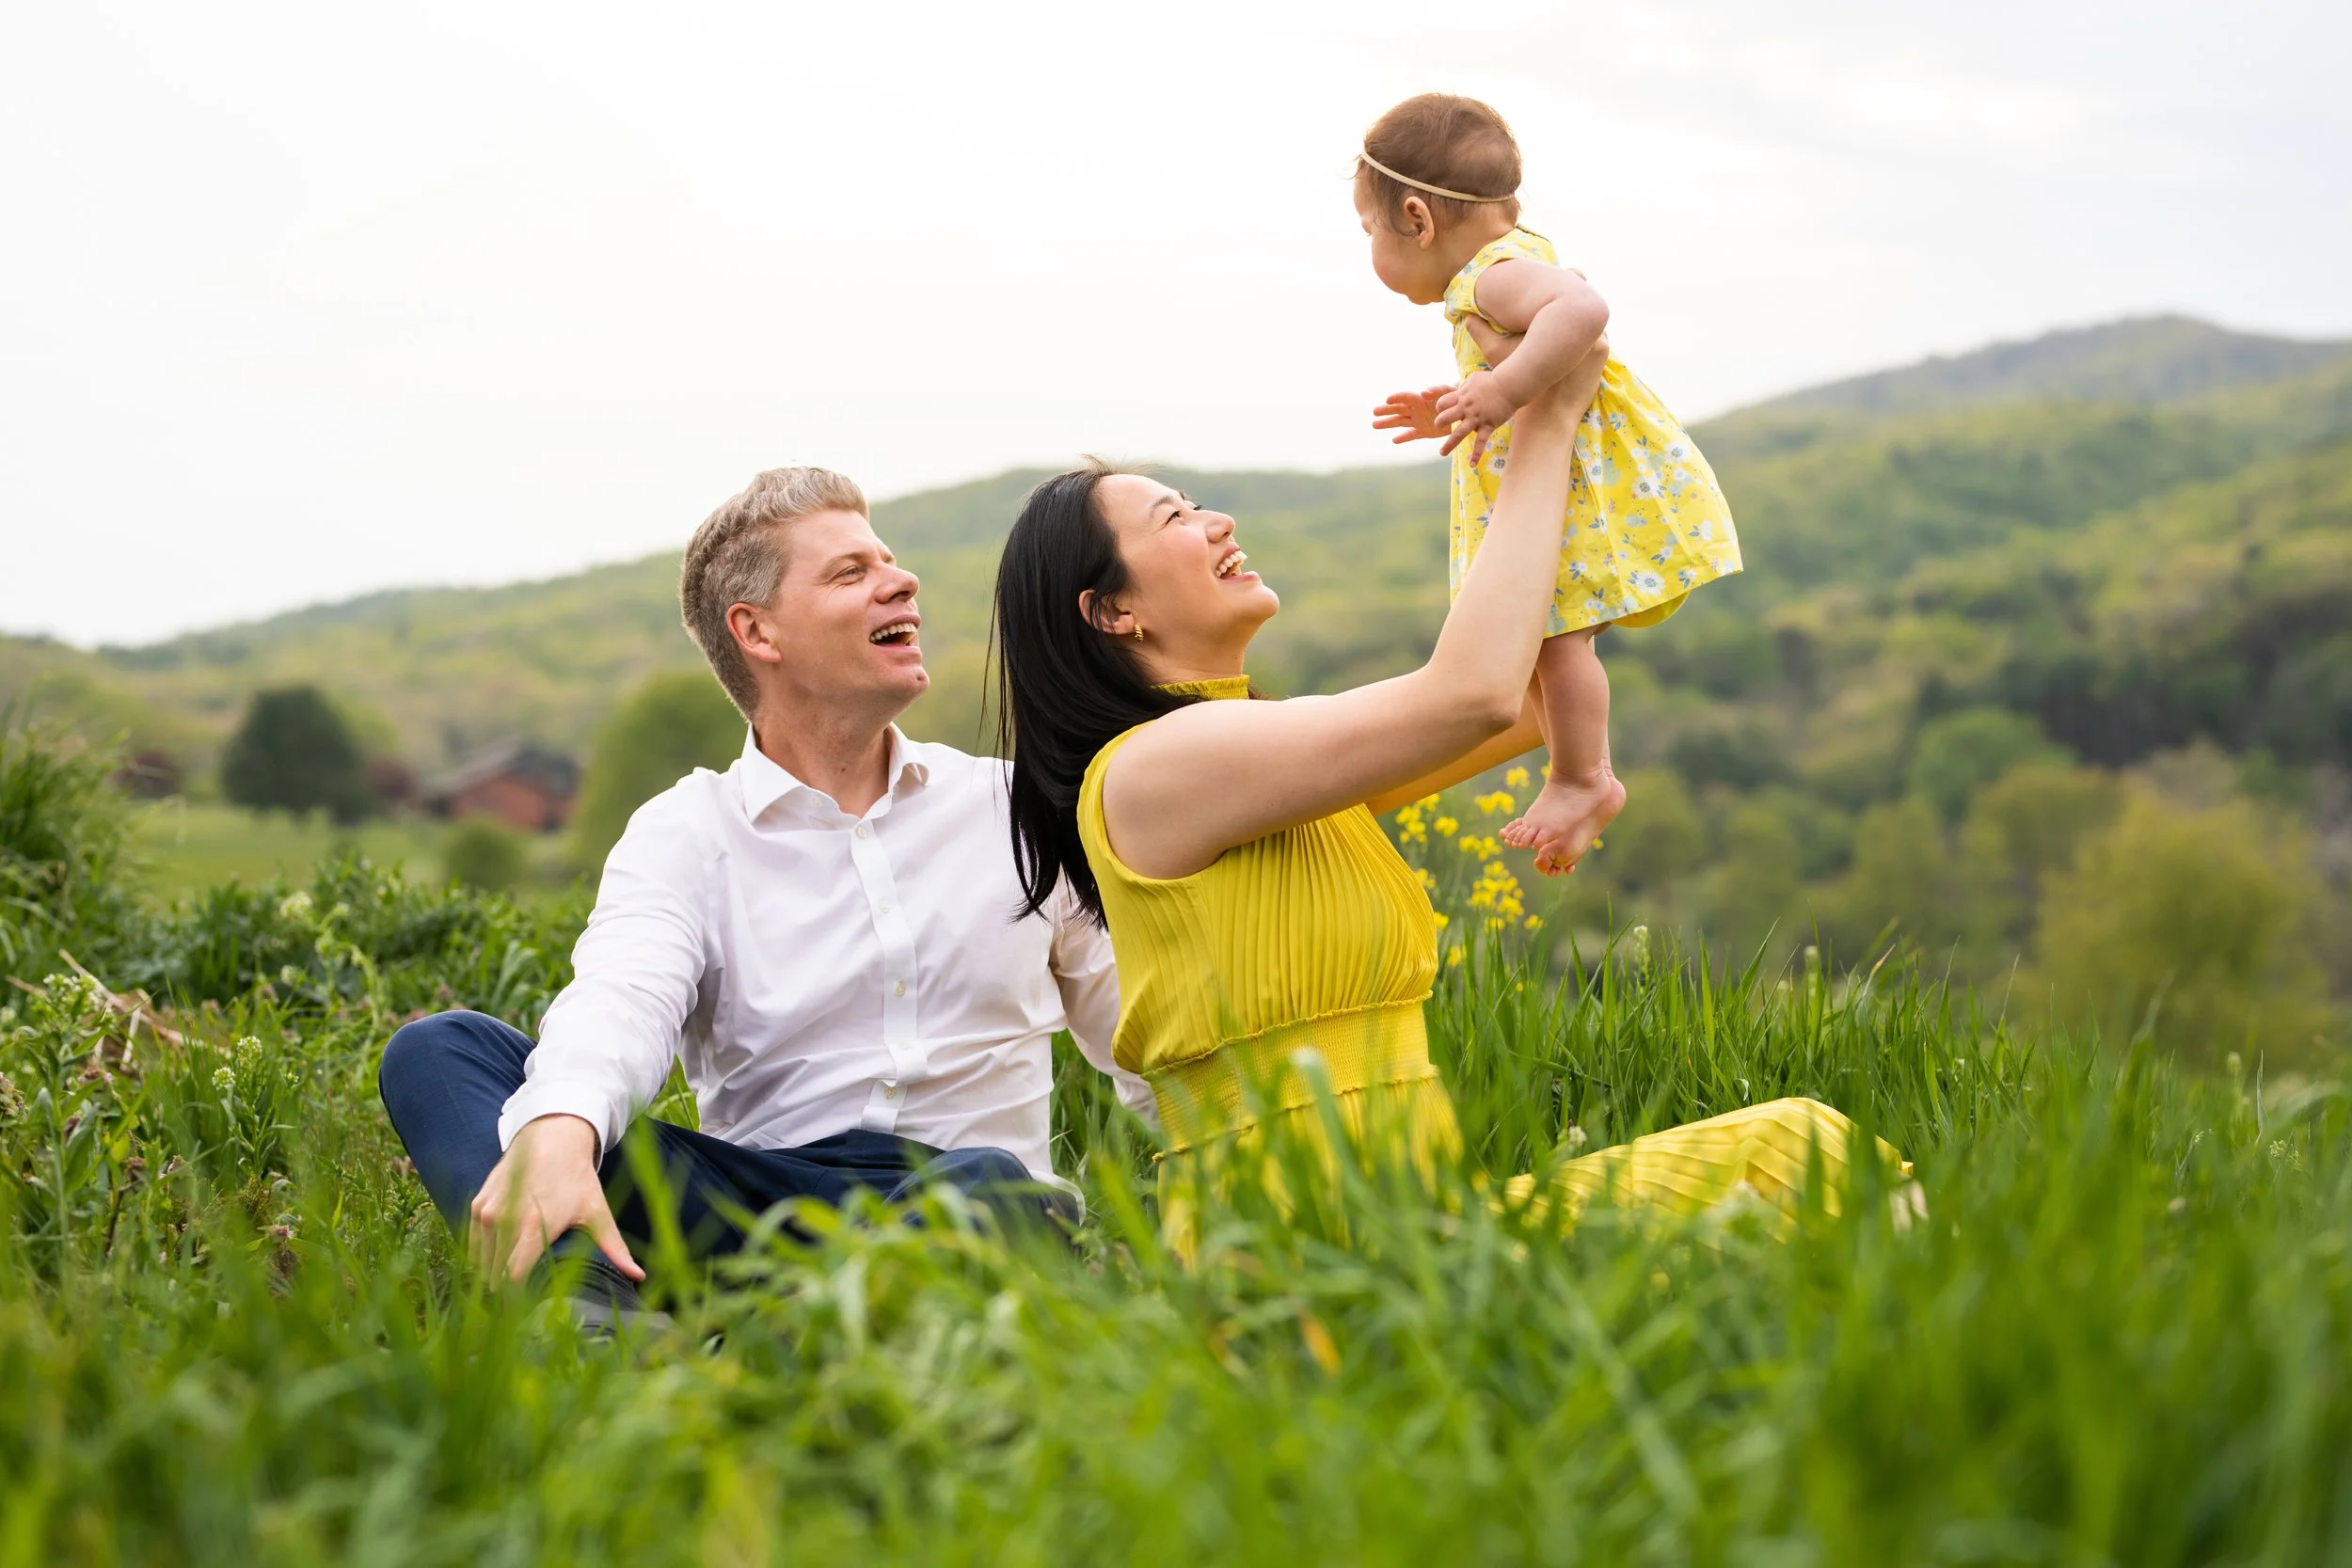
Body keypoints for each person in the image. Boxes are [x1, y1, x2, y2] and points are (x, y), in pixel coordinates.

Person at [990, 365, 1905, 1256]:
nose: (1218, 518)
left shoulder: (1257, 761)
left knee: (1804, 1153)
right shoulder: (1158, 765)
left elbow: (1533, 694)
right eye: (1176, 517)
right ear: (1111, 611)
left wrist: (1540, 428)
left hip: (1420, 1227)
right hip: (1302, 1255)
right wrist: (1544, 423)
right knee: (1804, 1157)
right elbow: (1471, 694)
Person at [380, 465, 1154, 1320]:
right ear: (758, 631)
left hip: (980, 1202)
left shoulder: (1019, 807)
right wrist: (560, 1130)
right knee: (442, 1053)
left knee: (984, 1184)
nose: (902, 581)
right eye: (850, 572)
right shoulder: (687, 829)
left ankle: (739, 1339)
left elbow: (1143, 1032)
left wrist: (1243, 1174)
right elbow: (621, 998)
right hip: (761, 1212)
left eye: (888, 560)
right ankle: (593, 1317)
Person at [1361, 92, 1742, 874]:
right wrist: (1466, 406)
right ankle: (1580, 773)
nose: (1370, 247)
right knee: (1544, 642)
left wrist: (1500, 394)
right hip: (1558, 475)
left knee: (1553, 638)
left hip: (1562, 487)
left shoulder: (1491, 275)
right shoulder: (1508, 261)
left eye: (1369, 230)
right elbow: (1536, 347)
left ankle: (1583, 777)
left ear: (1416, 218)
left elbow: (1583, 312)